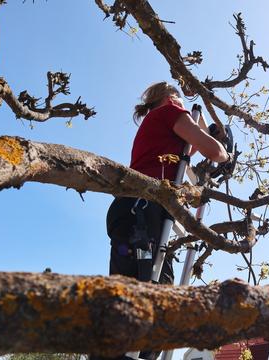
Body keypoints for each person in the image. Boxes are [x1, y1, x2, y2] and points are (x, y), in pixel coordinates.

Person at [93, 82, 229, 360]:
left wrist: (203, 127)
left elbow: (186, 152)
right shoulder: (170, 110)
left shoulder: (158, 125)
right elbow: (213, 152)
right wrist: (224, 148)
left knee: (133, 300)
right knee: (148, 302)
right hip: (143, 211)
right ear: (170, 97)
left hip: (133, 211)